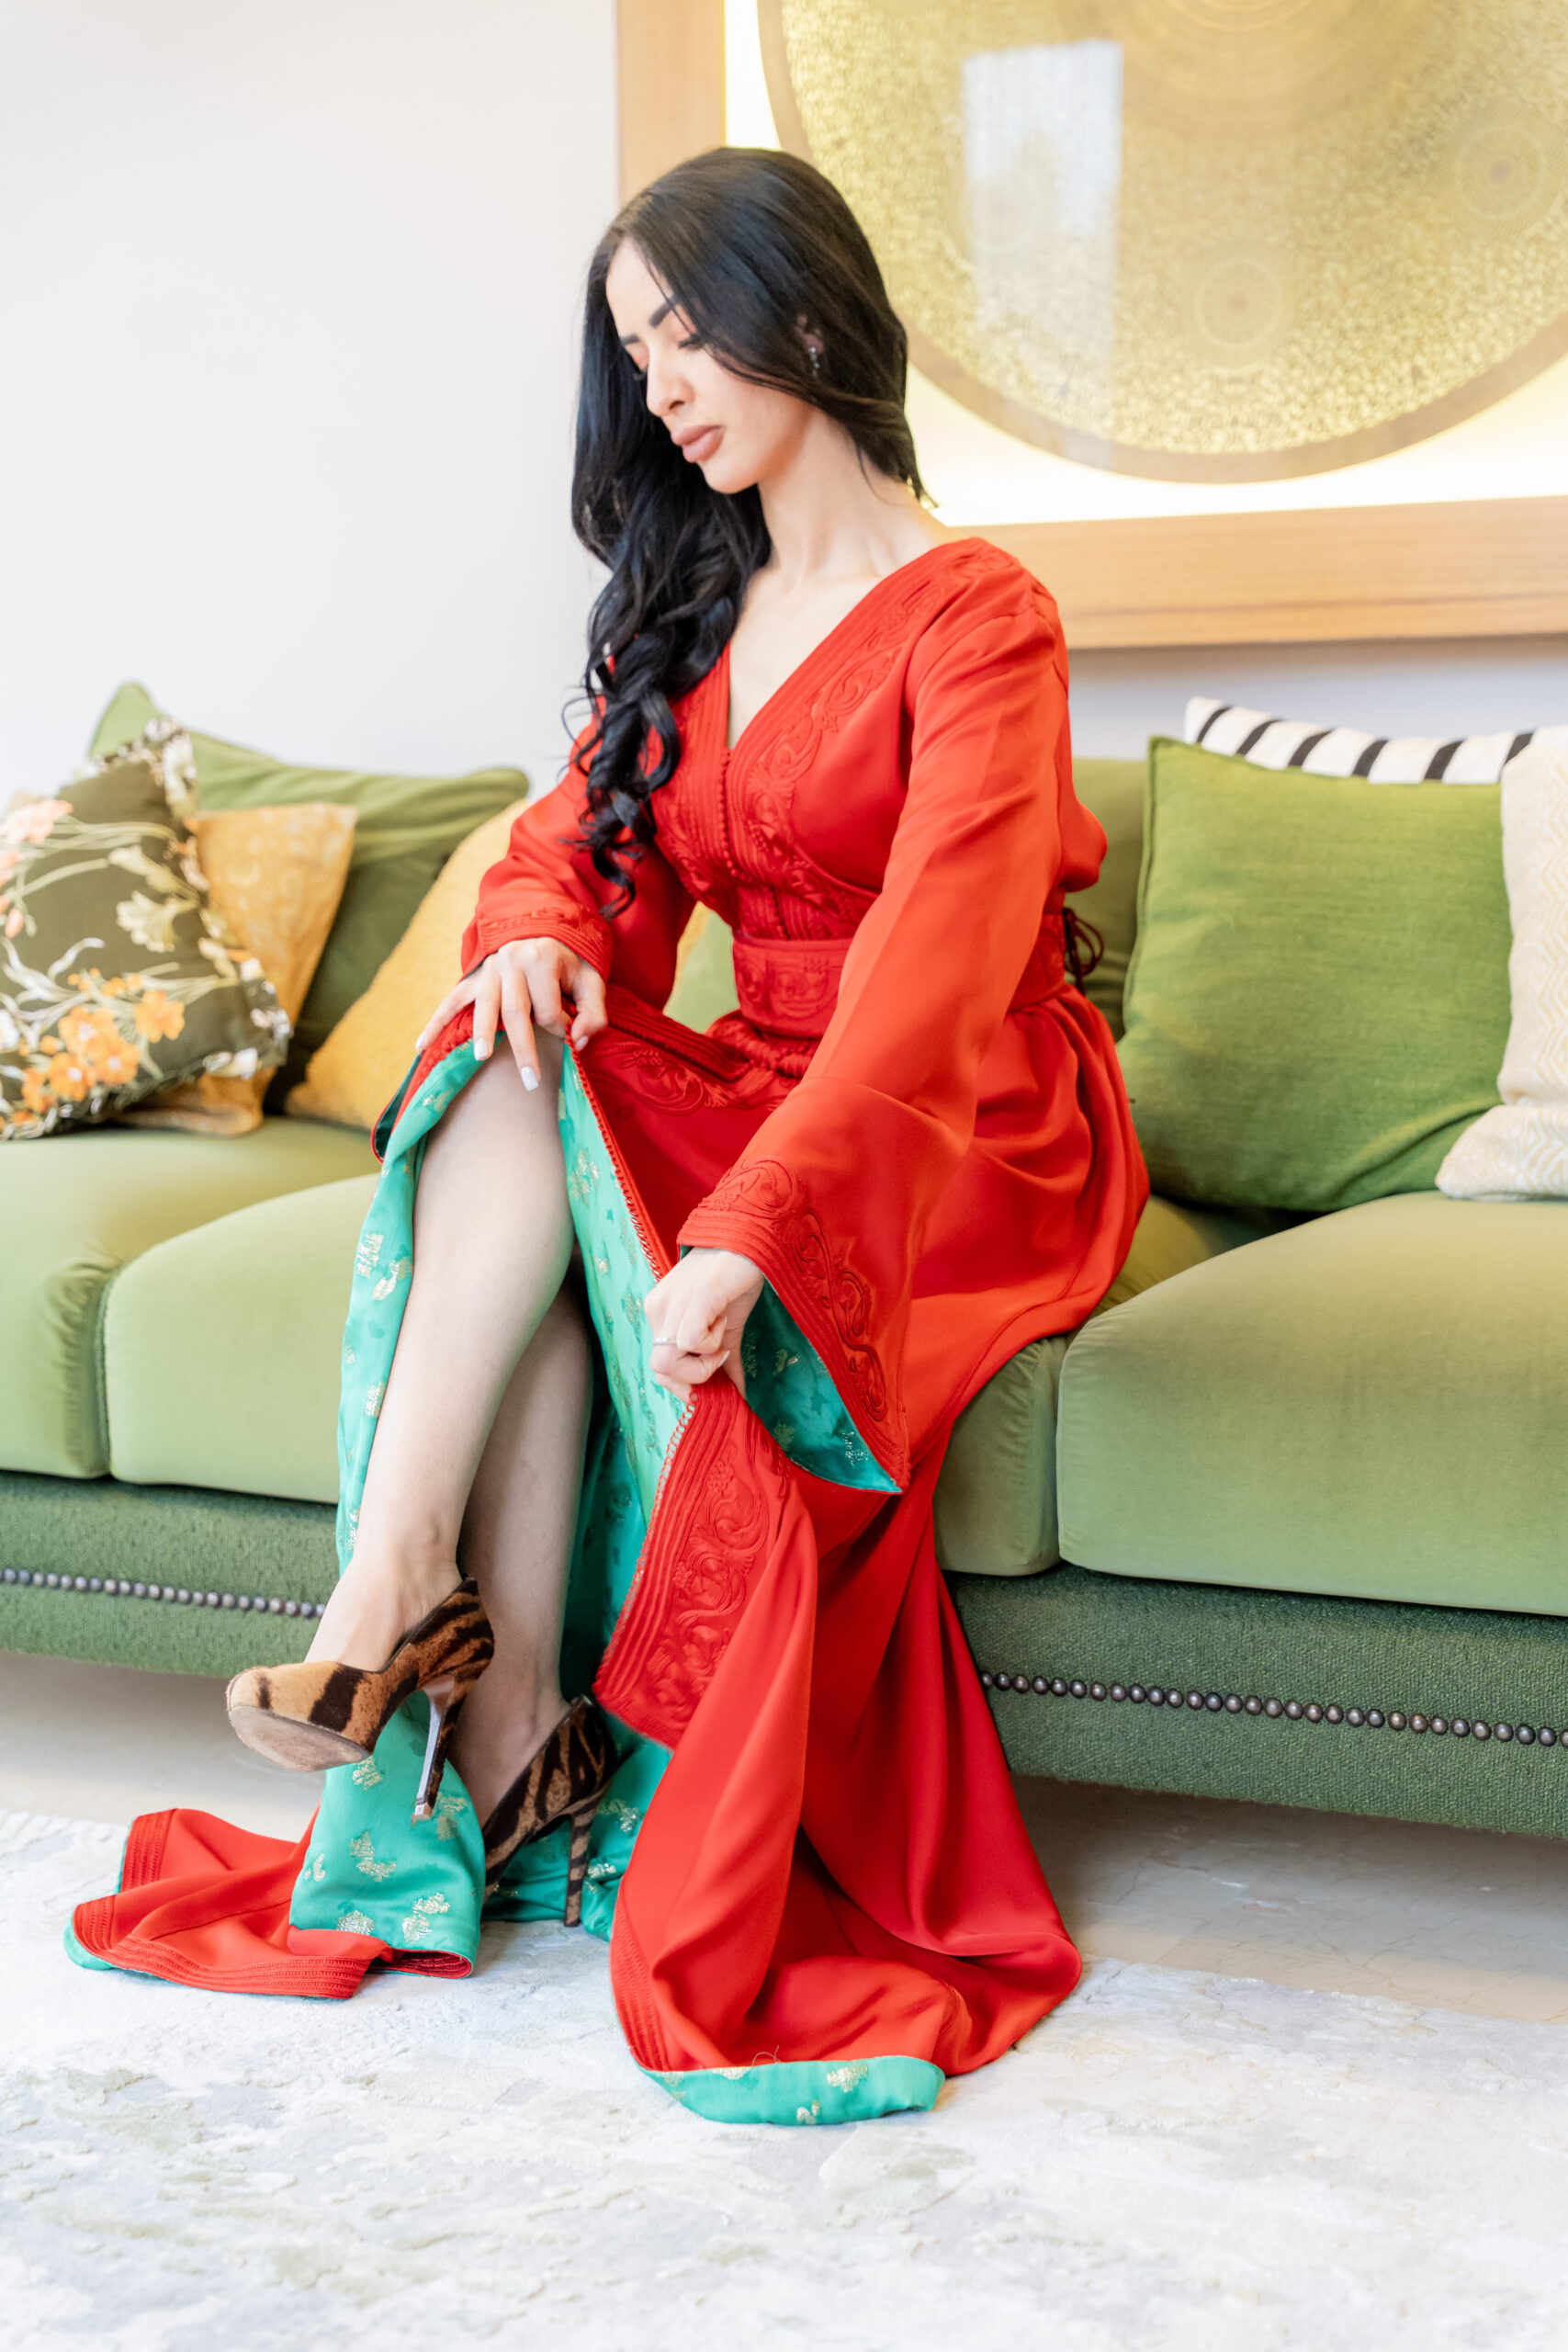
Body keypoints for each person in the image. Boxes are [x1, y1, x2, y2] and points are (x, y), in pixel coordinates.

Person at [72, 148, 1146, 2126]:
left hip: (965, 1116)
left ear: (802, 313)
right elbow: (569, 852)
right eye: (632, 348)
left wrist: (755, 1224)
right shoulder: (699, 600)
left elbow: (937, 968)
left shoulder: (979, 613)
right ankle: (428, 1617)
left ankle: (459, 1673)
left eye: (683, 333)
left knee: (615, 1208)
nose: (656, 384)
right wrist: (537, 935)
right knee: (508, 1053)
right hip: (769, 1071)